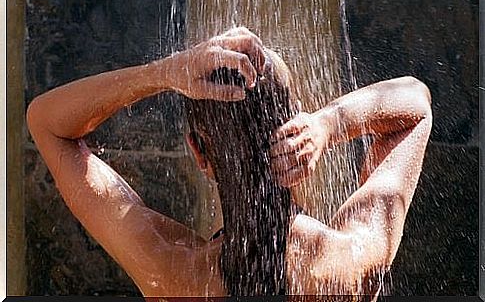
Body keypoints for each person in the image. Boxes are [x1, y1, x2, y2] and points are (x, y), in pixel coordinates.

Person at [27, 27, 432, 299]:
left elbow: (47, 123)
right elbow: (415, 103)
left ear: (198, 152)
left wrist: (164, 73)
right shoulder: (353, 260)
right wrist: (330, 123)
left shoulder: (171, 271)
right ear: (297, 130)